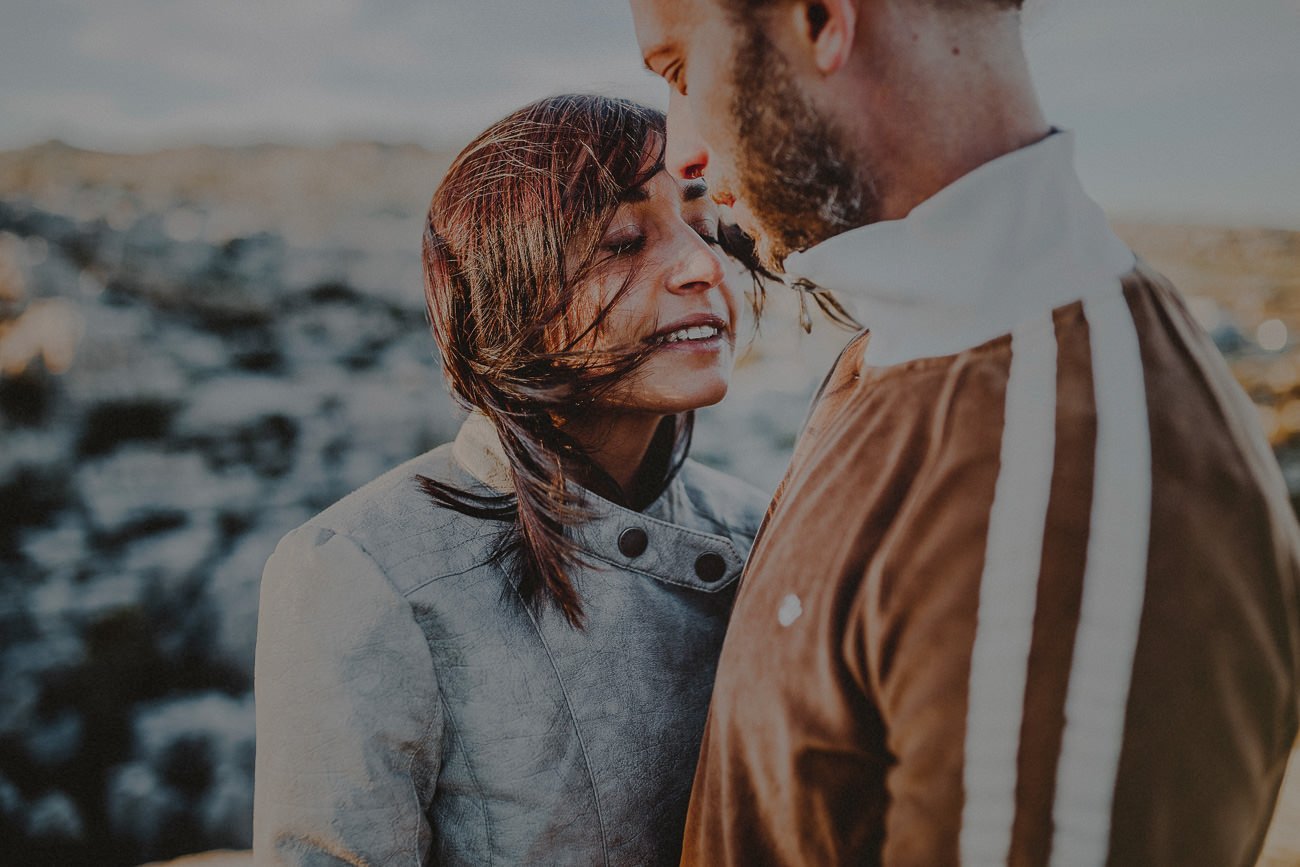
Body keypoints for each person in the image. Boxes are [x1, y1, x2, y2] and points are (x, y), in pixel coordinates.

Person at [628, 0, 1300, 864]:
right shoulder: (911, 344)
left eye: (682, 72)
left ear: (822, 18)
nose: (683, 149)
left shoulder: (1071, 479)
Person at [252, 94, 769, 865]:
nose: (702, 265)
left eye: (702, 226)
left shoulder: (768, 526)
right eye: (623, 241)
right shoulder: (362, 571)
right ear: (509, 301)